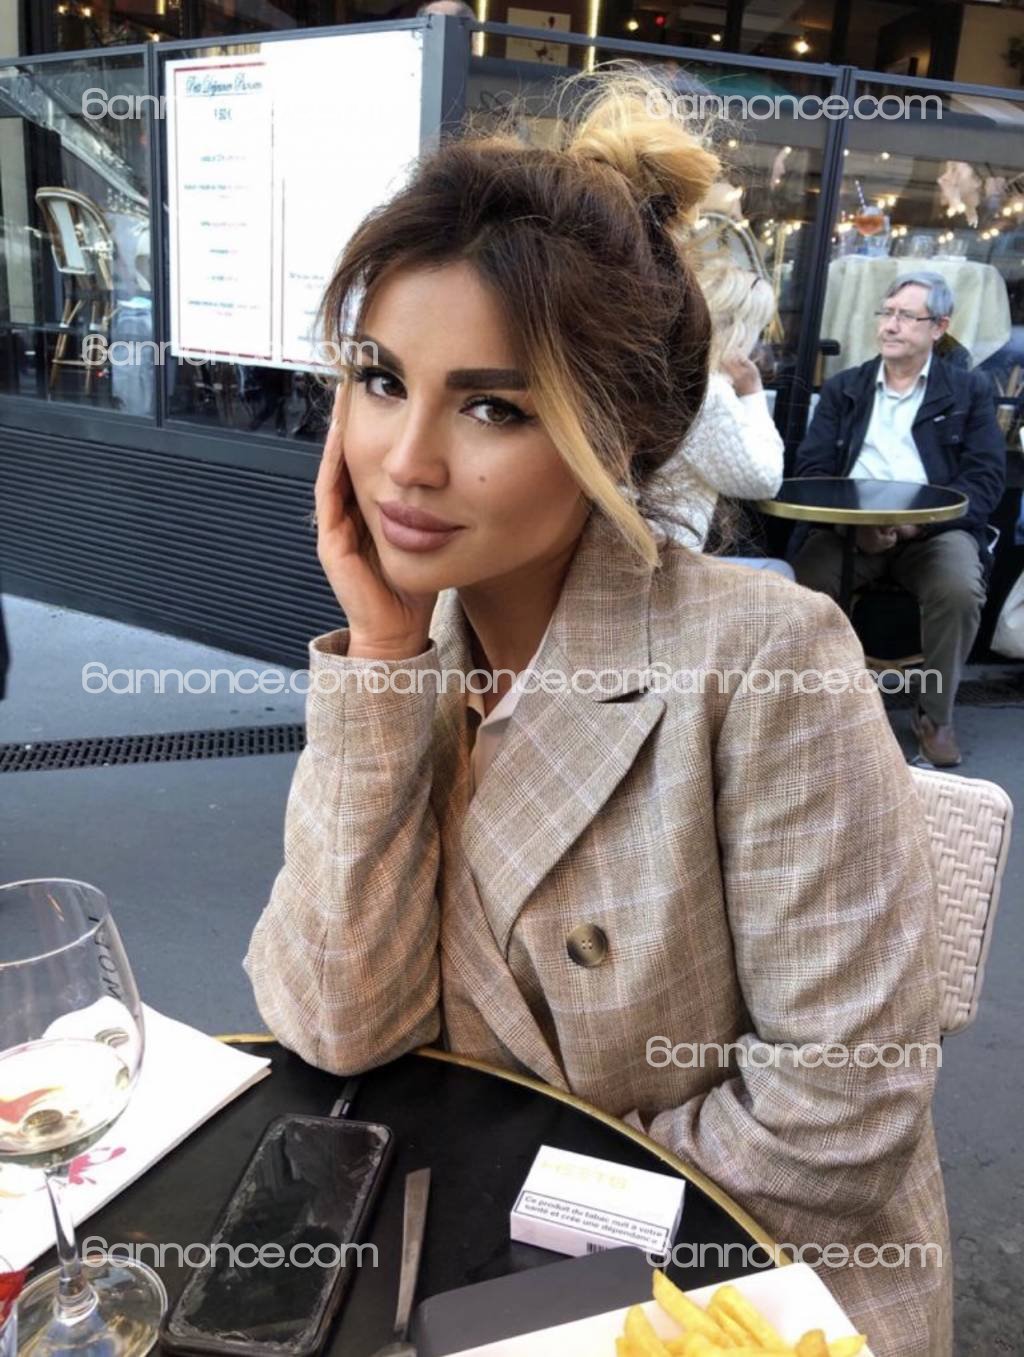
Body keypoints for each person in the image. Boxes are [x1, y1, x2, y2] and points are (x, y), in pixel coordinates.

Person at [245, 73, 950, 1356]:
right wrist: (383, 658)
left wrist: (512, 1246)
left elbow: (835, 1115)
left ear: (614, 434)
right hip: (463, 1259)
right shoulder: (418, 648)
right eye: (381, 379)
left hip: (728, 1287)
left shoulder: (764, 658)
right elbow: (340, 1021)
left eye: (493, 406)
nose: (405, 460)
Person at [792, 272, 1005, 767]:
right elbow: (812, 470)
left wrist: (917, 526)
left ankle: (935, 715)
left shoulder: (969, 391)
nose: (890, 325)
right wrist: (854, 528)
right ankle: (812, 703)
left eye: (906, 316)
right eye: (886, 313)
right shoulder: (846, 388)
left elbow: (985, 480)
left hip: (932, 533)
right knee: (804, 584)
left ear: (939, 327)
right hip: (850, 531)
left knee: (958, 588)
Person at [659, 256, 787, 570]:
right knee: (781, 571)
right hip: (665, 563)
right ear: (741, 330)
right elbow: (765, 479)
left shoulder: (669, 375)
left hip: (637, 551)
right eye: (760, 330)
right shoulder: (708, 394)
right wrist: (753, 393)